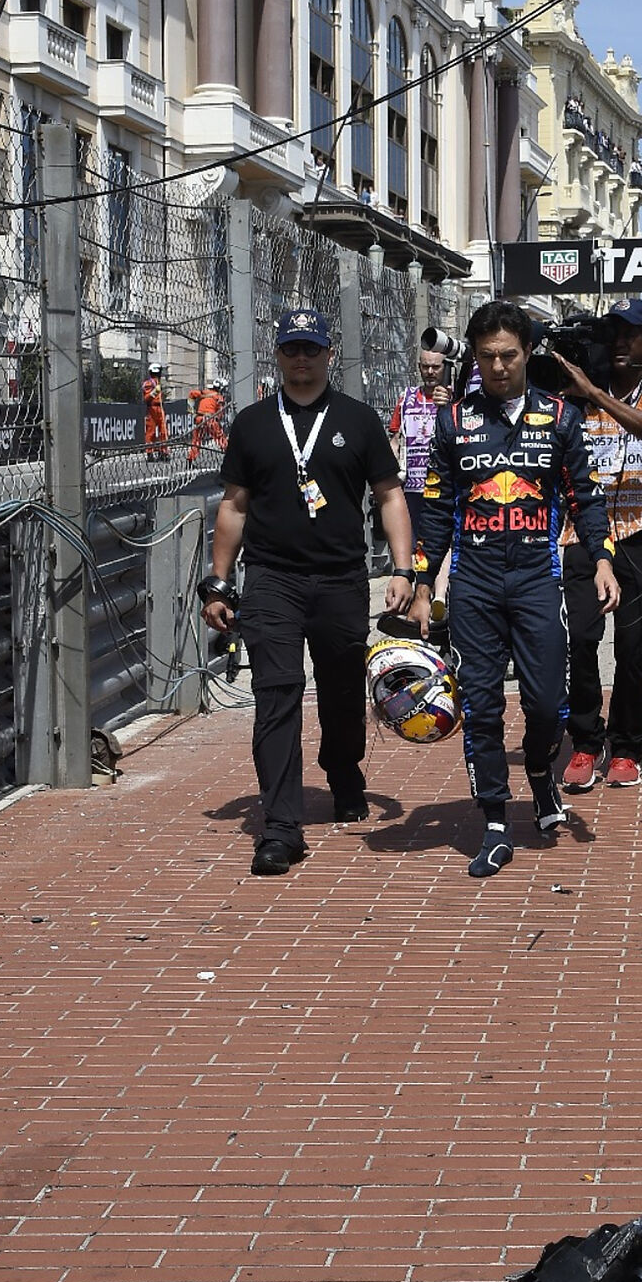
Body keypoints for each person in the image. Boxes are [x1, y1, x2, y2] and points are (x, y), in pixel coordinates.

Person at [408, 300, 619, 878]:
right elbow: (435, 509)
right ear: (473, 359)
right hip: (474, 582)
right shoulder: (452, 422)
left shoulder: (561, 418)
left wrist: (602, 560)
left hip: (535, 579)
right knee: (481, 703)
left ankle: (539, 781)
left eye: (508, 355)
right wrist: (424, 582)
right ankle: (496, 819)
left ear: (527, 353)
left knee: (547, 702)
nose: (498, 367)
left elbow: (587, 496)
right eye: (486, 357)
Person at [200, 308, 414, 875]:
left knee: (343, 692)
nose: (301, 358)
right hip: (271, 578)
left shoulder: (359, 420)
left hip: (341, 579)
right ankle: (281, 826)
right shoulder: (251, 423)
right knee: (276, 694)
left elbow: (390, 496)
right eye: (292, 348)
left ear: (328, 355)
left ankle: (344, 770)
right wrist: (220, 582)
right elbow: (234, 505)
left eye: (311, 349)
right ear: (278, 355)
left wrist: (402, 569)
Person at [551, 298, 642, 793]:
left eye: (629, 334)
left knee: (633, 650)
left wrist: (595, 393)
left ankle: (628, 744)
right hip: (583, 535)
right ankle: (586, 741)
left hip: (641, 530)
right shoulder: (574, 395)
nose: (618, 342)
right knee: (582, 641)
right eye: (611, 333)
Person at [387, 345, 450, 545]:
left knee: (442, 544)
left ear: (445, 367)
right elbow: (395, 440)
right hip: (412, 488)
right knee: (412, 544)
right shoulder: (406, 398)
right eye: (425, 367)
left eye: (436, 367)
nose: (430, 372)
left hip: (443, 486)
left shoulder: (455, 399)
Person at [187, 378, 229, 464]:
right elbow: (220, 412)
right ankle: (229, 455)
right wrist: (218, 420)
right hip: (210, 419)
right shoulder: (219, 397)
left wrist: (191, 410)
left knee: (196, 441)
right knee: (220, 438)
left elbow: (191, 394)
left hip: (199, 418)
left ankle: (190, 459)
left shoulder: (204, 393)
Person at [142, 364, 169, 461]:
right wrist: (155, 392)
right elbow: (146, 398)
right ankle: (150, 453)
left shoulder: (159, 382)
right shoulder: (148, 383)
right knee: (151, 432)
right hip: (152, 409)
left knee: (164, 431)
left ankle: (163, 452)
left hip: (160, 408)